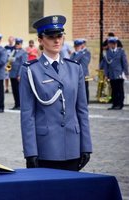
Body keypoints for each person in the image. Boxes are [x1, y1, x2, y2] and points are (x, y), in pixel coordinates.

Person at [19, 15, 92, 171]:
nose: (56, 40)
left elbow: (82, 110)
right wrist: (30, 152)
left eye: (59, 36)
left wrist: (86, 146)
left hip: (73, 145)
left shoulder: (75, 68)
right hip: (45, 149)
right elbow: (27, 114)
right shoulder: (31, 70)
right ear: (40, 40)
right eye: (51, 36)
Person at [100, 37, 129, 110]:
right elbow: (106, 65)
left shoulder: (121, 52)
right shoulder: (107, 52)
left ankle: (120, 104)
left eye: (111, 44)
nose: (110, 45)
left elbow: (124, 63)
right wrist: (106, 74)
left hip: (119, 74)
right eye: (109, 44)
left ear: (115, 44)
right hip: (111, 74)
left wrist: (126, 73)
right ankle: (115, 104)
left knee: (120, 90)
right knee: (113, 90)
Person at [8, 38, 27, 110]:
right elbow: (9, 61)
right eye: (16, 43)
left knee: (19, 90)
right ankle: (16, 104)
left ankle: (20, 105)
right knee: (14, 90)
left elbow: (23, 64)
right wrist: (7, 69)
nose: (17, 45)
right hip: (12, 73)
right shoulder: (13, 51)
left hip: (18, 74)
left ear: (21, 44)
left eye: (18, 44)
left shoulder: (23, 52)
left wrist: (19, 74)